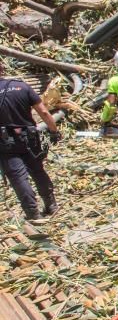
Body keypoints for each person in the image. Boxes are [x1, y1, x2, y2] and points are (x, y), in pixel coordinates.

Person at [0, 60, 61, 221]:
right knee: (37, 170)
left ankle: (33, 213)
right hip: (30, 138)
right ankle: (51, 205)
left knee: (18, 177)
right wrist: (54, 131)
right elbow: (44, 112)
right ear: (2, 69)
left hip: (5, 143)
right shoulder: (22, 87)